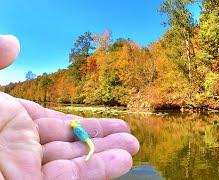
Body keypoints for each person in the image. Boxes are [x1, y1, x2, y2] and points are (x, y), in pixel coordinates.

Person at [0, 35, 139, 180]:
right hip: (84, 139)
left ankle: (89, 154)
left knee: (95, 148)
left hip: (84, 138)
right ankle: (89, 154)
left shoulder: (76, 129)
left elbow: (80, 134)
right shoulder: (76, 128)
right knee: (93, 148)